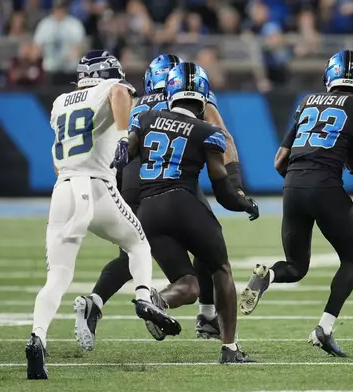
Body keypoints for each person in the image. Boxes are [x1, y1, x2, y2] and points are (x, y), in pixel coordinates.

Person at [73, 54, 244, 351]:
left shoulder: (136, 102)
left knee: (134, 252)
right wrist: (236, 184)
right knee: (207, 240)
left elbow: (116, 143)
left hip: (129, 179)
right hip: (171, 179)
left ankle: (95, 301)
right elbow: (223, 136)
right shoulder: (187, 98)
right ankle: (205, 316)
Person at [25, 50, 179, 380]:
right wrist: (123, 136)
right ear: (109, 71)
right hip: (96, 186)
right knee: (138, 244)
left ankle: (37, 337)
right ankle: (142, 296)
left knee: (58, 277)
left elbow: (57, 159)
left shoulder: (60, 102)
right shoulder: (110, 87)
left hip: (63, 188)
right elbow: (120, 92)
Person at [113, 62, 258, 363]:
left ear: (170, 92)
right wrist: (244, 203)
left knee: (188, 285)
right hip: (184, 203)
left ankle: (159, 300)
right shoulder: (208, 132)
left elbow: (125, 154)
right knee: (220, 269)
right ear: (203, 96)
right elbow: (223, 193)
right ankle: (229, 349)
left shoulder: (147, 118)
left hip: (148, 210)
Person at [239, 50, 353, 357]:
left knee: (295, 266)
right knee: (352, 258)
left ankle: (267, 276)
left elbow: (279, 162)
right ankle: (324, 329)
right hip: (326, 187)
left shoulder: (308, 102)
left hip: (293, 187)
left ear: (328, 77)